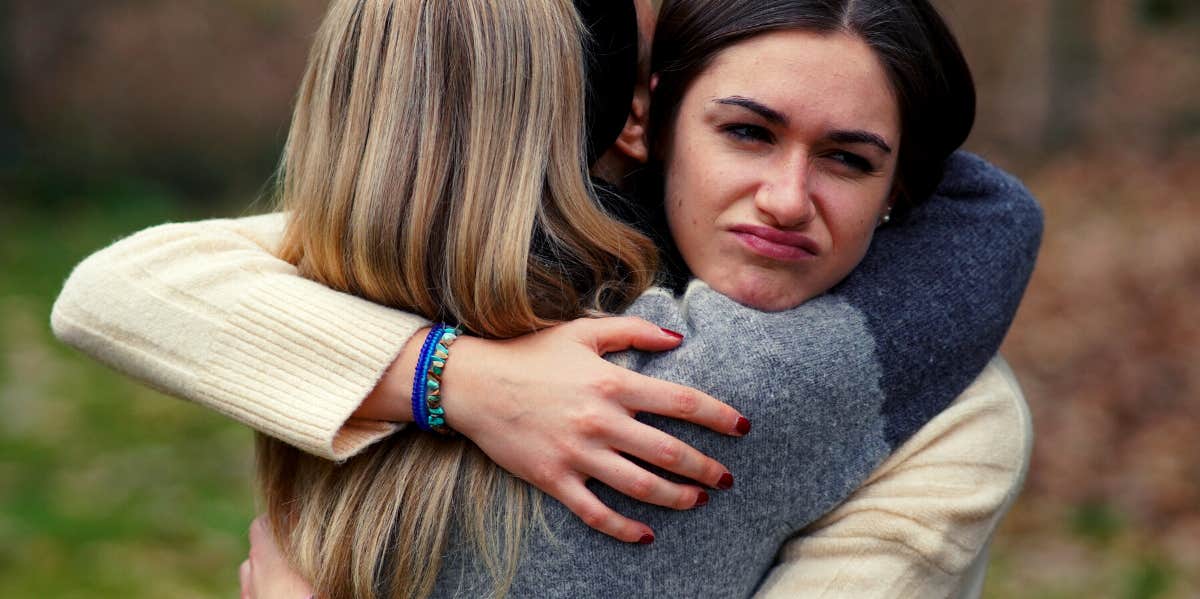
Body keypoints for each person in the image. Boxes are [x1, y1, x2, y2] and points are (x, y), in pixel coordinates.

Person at [52, 0, 1042, 596]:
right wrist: (459, 377)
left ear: (900, 187)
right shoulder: (534, 265)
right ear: (647, 126)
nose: (787, 198)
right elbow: (118, 288)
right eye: (746, 132)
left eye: (849, 159)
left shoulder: (958, 419)